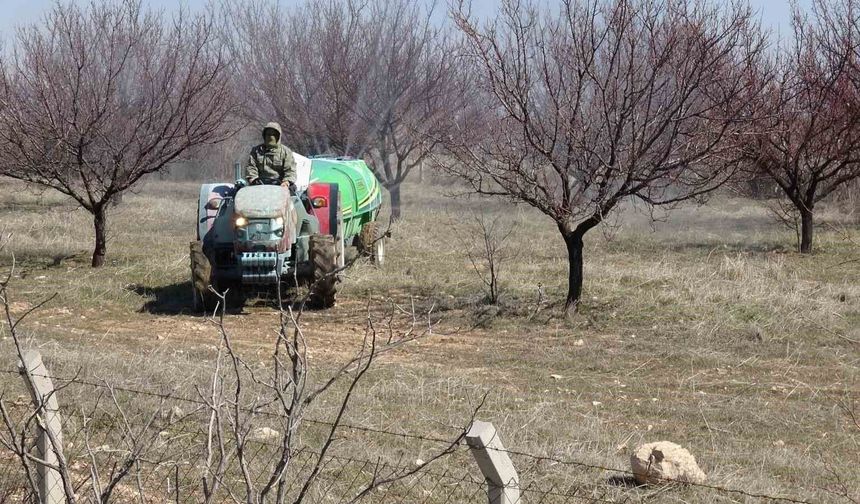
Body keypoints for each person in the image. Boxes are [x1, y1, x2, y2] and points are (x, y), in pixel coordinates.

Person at [244, 122, 297, 191]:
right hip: (259, 186)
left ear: (278, 136)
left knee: (293, 191)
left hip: (280, 186)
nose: (271, 137)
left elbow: (290, 170)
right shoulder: (256, 151)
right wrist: (253, 179)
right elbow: (251, 167)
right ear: (264, 135)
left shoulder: (286, 152)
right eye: (268, 134)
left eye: (274, 135)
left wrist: (286, 182)